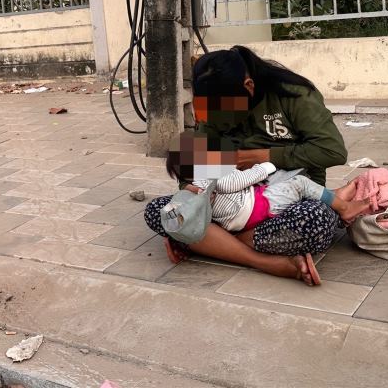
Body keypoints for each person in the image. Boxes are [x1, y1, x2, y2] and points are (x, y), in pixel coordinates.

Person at [144, 45, 348, 285]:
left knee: (316, 220)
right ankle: (264, 260)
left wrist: (263, 157)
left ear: (248, 86)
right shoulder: (213, 108)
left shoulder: (293, 95)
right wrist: (191, 190)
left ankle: (209, 243)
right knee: (158, 211)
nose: (217, 118)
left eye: (225, 110)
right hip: (228, 204)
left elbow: (332, 151)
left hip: (285, 200)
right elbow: (194, 163)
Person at [164, 130, 371, 284]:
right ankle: (341, 206)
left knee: (302, 202)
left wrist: (181, 232)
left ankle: (216, 245)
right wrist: (267, 165)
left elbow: (331, 151)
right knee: (300, 186)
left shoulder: (197, 178)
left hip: (229, 222)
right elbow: (237, 180)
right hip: (256, 207)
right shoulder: (214, 173)